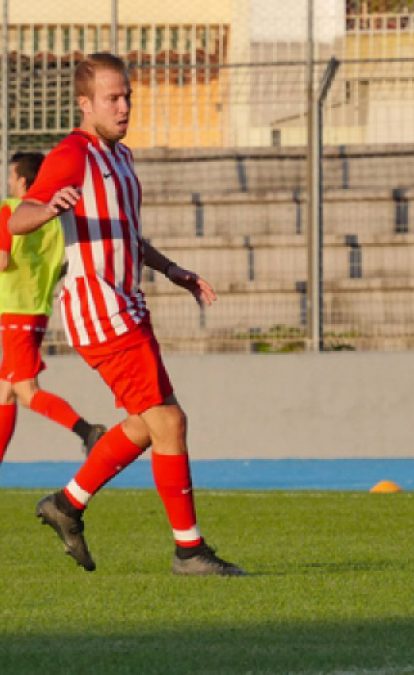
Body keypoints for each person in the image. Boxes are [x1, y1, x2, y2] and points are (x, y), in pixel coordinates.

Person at [8, 52, 243, 576]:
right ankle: (189, 551)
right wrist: (47, 208)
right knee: (170, 421)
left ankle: (67, 504)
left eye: (128, 96)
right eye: (113, 98)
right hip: (101, 312)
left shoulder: (120, 156)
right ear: (84, 103)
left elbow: (126, 234)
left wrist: (170, 268)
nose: (124, 106)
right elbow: (22, 217)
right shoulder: (72, 154)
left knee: (144, 424)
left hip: (127, 304)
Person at [0, 152, 107, 462]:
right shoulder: (53, 218)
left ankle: (87, 431)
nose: (8, 182)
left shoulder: (9, 211)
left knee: (26, 391)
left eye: (11, 176)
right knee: (5, 391)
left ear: (21, 181)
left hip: (16, 310)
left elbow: (3, 260)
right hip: (37, 308)